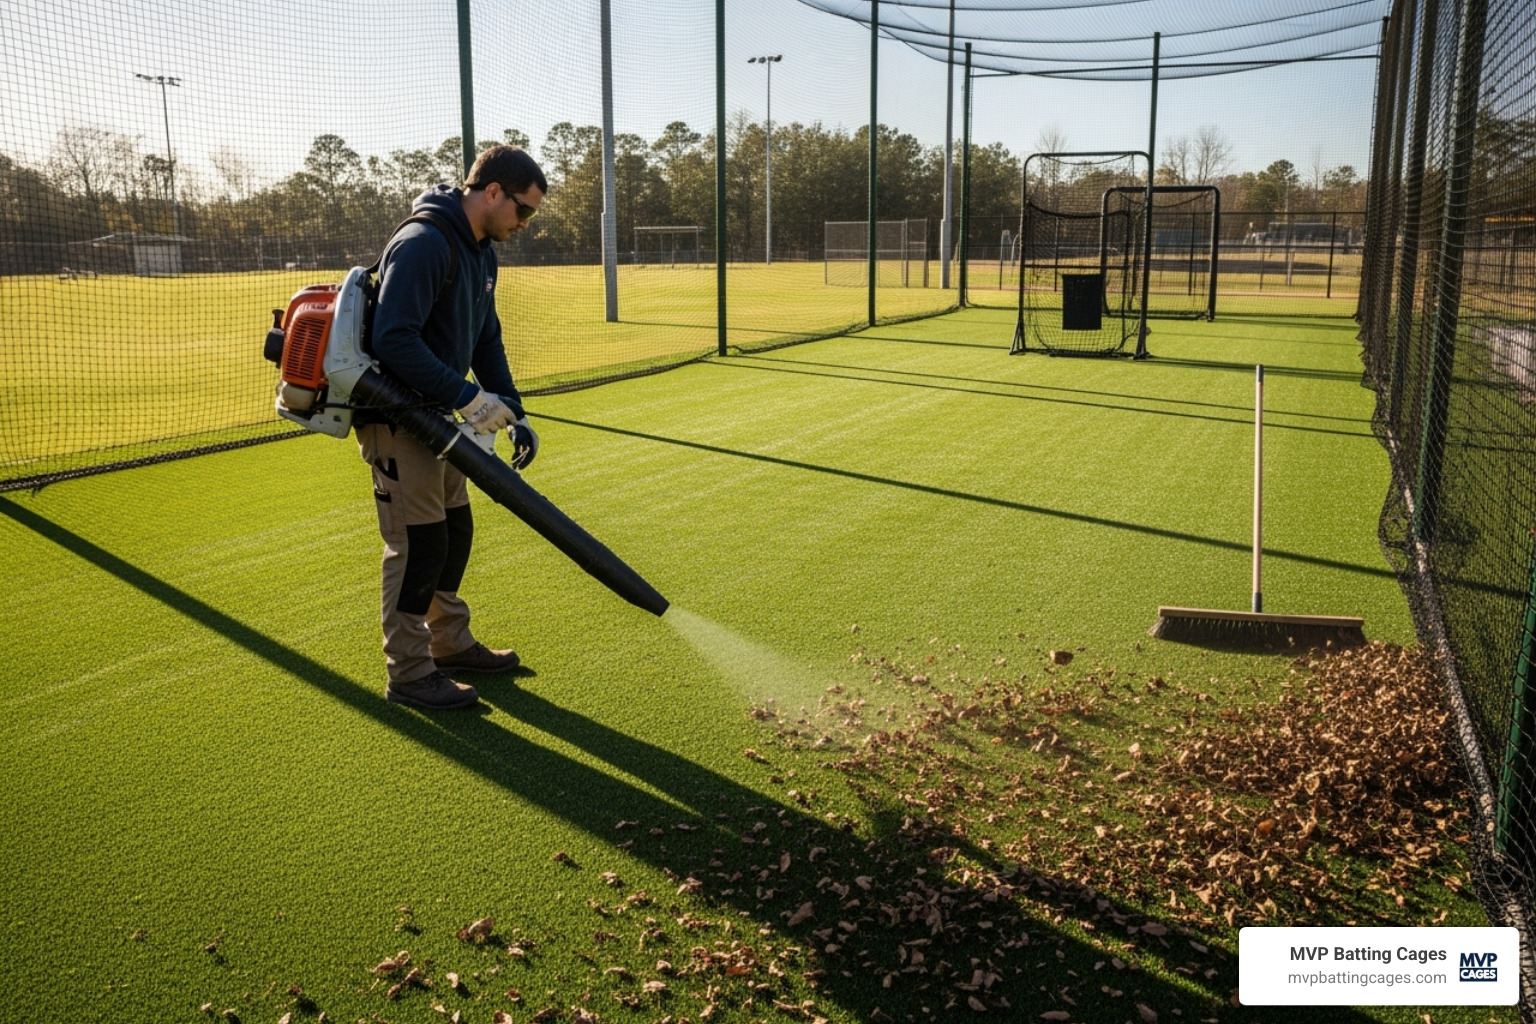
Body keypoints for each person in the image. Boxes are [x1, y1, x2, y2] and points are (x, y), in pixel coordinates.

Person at [357, 145, 547, 710]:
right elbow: (394, 339)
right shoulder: (424, 243)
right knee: (417, 547)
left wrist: (513, 408)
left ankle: (450, 643)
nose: (524, 224)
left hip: (439, 420)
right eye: (524, 211)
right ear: (492, 192)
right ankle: (410, 673)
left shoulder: (482, 251)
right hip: (397, 416)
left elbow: (484, 335)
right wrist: (466, 396)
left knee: (453, 533)